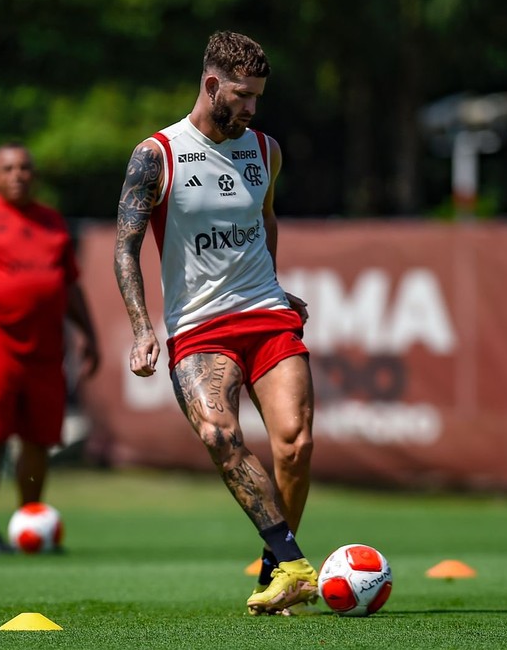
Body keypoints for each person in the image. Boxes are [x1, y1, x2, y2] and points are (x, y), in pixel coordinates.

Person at [113, 31, 317, 614]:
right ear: (211, 85)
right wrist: (142, 328)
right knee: (219, 436)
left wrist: (273, 281)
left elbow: (266, 217)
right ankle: (294, 563)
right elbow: (125, 248)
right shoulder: (158, 154)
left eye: (257, 98)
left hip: (265, 315)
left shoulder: (266, 150)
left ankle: (279, 572)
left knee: (296, 444)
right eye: (243, 95)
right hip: (200, 327)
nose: (252, 108)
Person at [0, 142, 100, 558]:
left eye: (25, 168)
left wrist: (89, 334)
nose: (17, 175)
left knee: (38, 439)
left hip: (45, 350)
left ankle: (31, 523)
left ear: (35, 175)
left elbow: (69, 284)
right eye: (8, 169)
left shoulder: (52, 222)